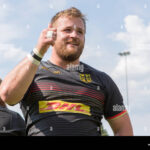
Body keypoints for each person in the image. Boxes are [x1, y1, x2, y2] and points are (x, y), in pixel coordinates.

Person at [0, 7, 133, 136]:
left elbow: (123, 127)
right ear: (52, 34)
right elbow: (7, 95)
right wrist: (39, 50)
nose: (74, 35)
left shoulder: (103, 81)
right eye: (67, 30)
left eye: (80, 32)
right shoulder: (31, 73)